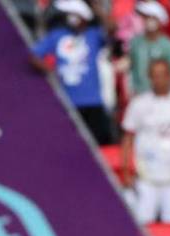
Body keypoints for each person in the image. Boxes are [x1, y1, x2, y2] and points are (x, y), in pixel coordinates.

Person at [122, 57, 170, 224]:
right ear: (150, 77)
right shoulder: (139, 103)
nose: (159, 79)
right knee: (142, 223)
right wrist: (126, 169)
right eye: (155, 75)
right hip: (146, 177)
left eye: (163, 75)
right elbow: (128, 138)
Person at [31, 0, 114, 145]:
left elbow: (112, 29)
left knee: (101, 143)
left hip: (93, 101)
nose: (70, 18)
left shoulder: (93, 35)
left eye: (74, 14)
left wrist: (96, 9)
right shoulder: (57, 35)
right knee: (70, 145)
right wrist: (50, 70)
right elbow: (34, 56)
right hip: (68, 102)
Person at [128, 1, 170, 95]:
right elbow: (132, 67)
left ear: (159, 20)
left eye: (151, 17)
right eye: (145, 17)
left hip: (160, 96)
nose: (147, 20)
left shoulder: (169, 46)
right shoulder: (135, 42)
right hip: (139, 94)